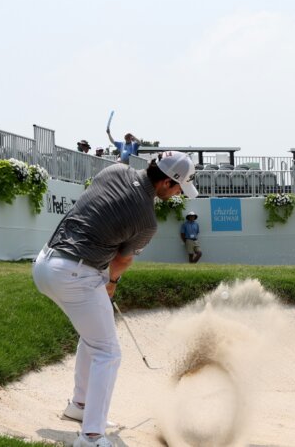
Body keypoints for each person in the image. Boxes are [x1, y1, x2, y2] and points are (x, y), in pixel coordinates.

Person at [31, 151, 197, 447]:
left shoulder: (114, 170)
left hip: (45, 262)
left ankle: (79, 407)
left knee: (94, 335)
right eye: (179, 188)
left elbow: (97, 209)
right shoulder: (146, 221)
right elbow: (122, 261)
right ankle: (92, 436)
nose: (178, 194)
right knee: (108, 352)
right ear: (166, 183)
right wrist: (112, 284)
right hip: (75, 274)